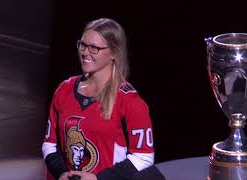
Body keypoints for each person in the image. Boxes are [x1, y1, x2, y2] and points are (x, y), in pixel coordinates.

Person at [42, 18, 164, 180]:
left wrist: (99, 179)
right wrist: (62, 173)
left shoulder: (130, 102)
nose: (85, 52)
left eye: (94, 48)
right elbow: (50, 143)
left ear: (114, 52)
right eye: (83, 45)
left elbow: (143, 157)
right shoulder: (64, 90)